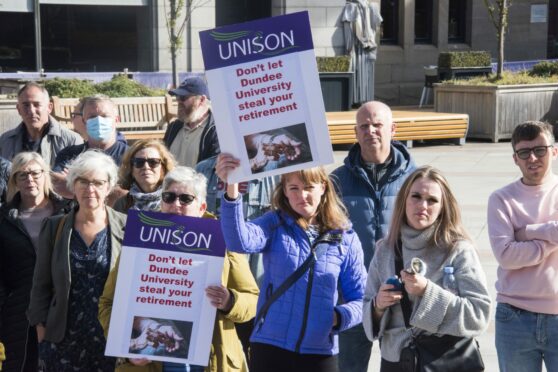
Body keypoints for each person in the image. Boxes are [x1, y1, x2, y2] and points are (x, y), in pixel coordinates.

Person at [99, 166, 259, 372]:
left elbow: (252, 299)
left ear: (202, 206)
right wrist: (127, 344)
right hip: (150, 363)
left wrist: (230, 301)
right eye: (169, 197)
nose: (176, 204)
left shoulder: (224, 239)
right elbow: (108, 303)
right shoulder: (141, 239)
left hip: (209, 362)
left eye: (185, 199)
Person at [217, 154, 367, 372]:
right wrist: (232, 190)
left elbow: (361, 298)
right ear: (285, 191)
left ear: (323, 187)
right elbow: (238, 241)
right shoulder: (274, 223)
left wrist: (338, 317)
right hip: (270, 346)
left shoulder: (346, 238)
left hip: (319, 352)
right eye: (294, 188)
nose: (302, 195)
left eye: (309, 187)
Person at [362, 166, 491, 371]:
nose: (423, 205)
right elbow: (367, 312)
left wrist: (427, 292)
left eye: (432, 200)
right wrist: (378, 305)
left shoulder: (458, 250)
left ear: (443, 207)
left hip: (447, 362)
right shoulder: (385, 250)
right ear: (404, 200)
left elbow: (479, 315)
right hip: (396, 362)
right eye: (416, 196)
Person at [330, 100, 415, 372]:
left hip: (403, 296)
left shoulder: (416, 179)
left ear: (393, 129)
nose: (371, 131)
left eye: (378, 125)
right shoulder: (336, 181)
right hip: (353, 296)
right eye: (364, 126)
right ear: (355, 132)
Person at [27, 150, 125, 371]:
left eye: (98, 183)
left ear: (108, 187)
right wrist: (41, 331)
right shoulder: (54, 227)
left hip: (110, 337)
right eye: (83, 181)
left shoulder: (127, 227)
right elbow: (40, 284)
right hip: (62, 338)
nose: (90, 189)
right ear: (73, 185)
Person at [487, 121, 558, 372]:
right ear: (515, 159)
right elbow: (506, 256)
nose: (533, 158)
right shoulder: (501, 199)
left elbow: (520, 246)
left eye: (540, 150)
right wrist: (553, 237)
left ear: (554, 151)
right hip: (514, 317)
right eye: (524, 152)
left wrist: (528, 232)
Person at [0, 152, 70, 372]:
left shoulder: (68, 212)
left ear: (45, 176)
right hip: (18, 309)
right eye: (22, 175)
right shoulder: (4, 218)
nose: (29, 179)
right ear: (14, 181)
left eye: (35, 173)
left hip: (61, 305)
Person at [51, 95, 129, 199]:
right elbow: (57, 185)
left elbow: (141, 197)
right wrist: (115, 190)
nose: (98, 121)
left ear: (116, 119)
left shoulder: (132, 156)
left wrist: (76, 183)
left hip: (123, 214)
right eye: (92, 117)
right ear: (84, 121)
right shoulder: (69, 155)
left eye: (105, 116)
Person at [0, 82, 83, 167]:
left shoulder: (71, 140)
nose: (31, 111)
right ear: (18, 109)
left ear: (49, 107)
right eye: (26, 105)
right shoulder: (5, 141)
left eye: (37, 105)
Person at [163, 76, 220, 168]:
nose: (178, 101)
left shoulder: (216, 131)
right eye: (177, 97)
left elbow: (213, 169)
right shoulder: (174, 126)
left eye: (183, 97)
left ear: (201, 100)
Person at [113, 139, 176, 213]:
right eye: (139, 162)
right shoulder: (122, 204)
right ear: (131, 169)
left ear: (163, 168)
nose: (146, 167)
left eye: (153, 162)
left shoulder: (176, 201)